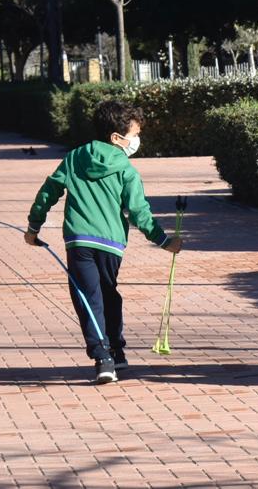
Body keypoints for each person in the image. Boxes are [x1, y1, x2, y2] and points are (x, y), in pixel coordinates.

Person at [24, 100, 183, 384]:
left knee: (89, 298)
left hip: (78, 241)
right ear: (116, 138)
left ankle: (104, 357)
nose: (136, 140)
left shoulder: (74, 158)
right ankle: (113, 354)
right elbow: (138, 211)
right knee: (108, 294)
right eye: (134, 135)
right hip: (111, 244)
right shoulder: (126, 169)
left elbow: (49, 191)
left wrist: (33, 227)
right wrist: (163, 241)